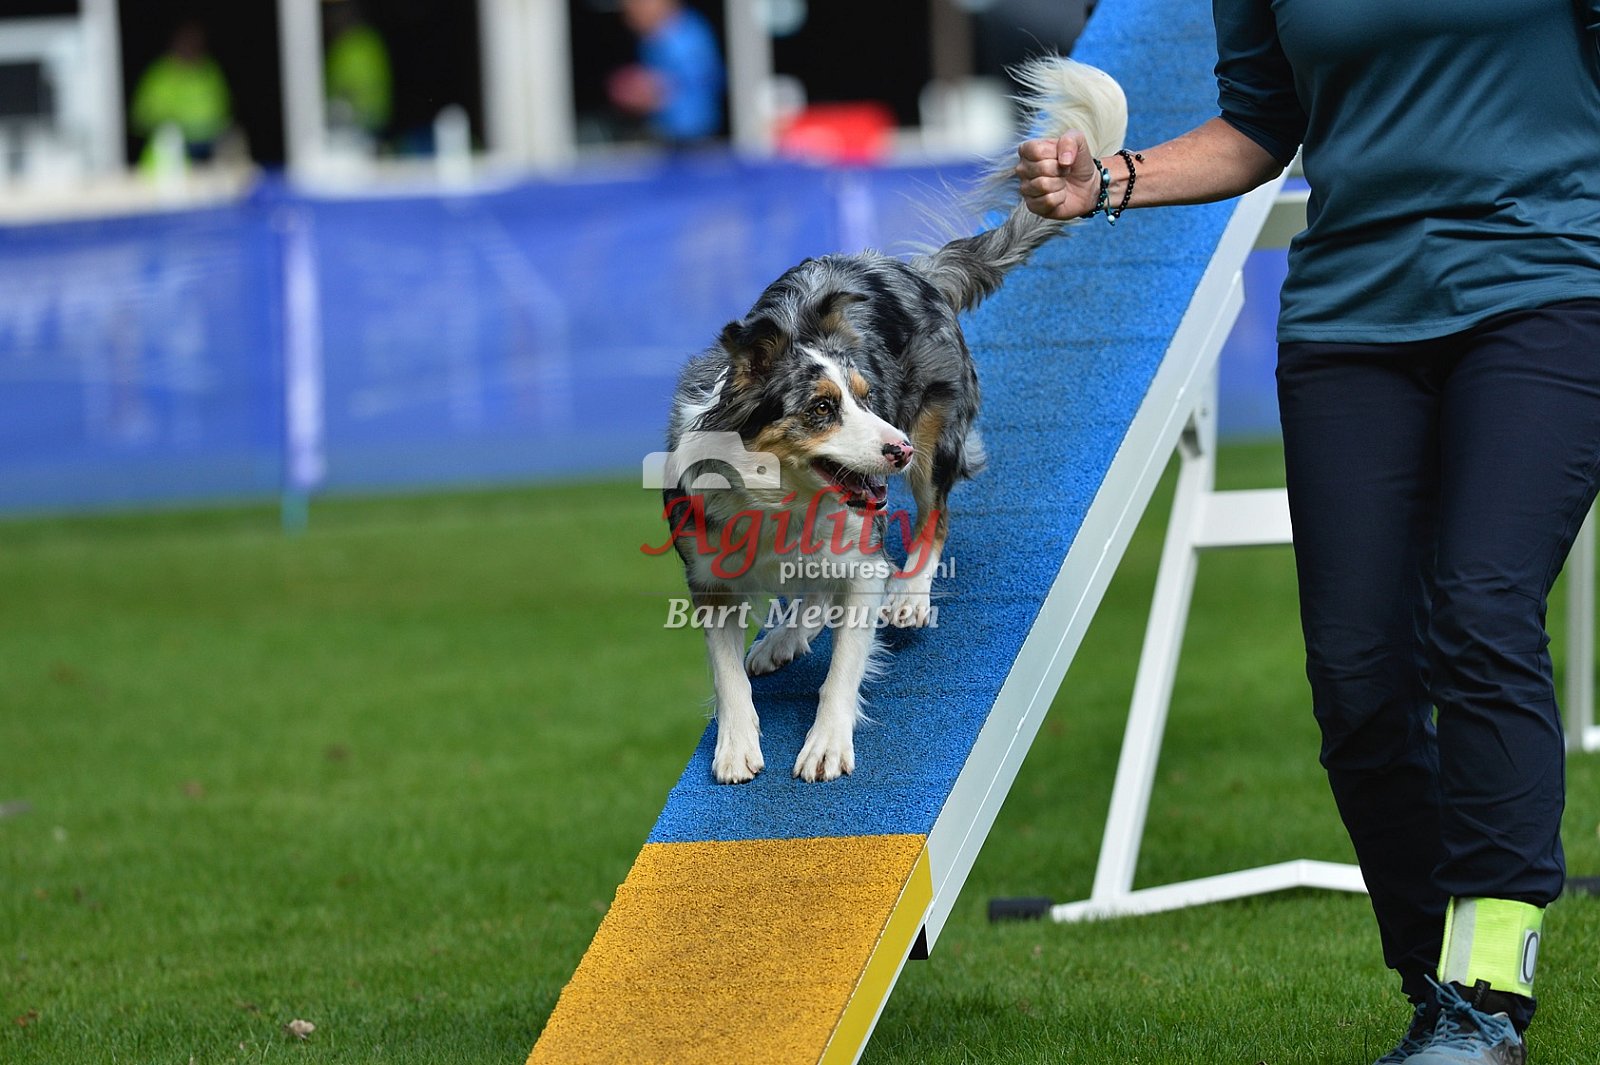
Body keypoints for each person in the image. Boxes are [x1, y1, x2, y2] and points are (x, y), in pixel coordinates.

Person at [1017, 5, 1600, 1065]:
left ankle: (1487, 995)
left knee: (1481, 610)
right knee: (1356, 678)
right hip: (1349, 322)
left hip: (1547, 290)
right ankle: (1437, 989)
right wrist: (1106, 182)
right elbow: (1258, 124)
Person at [608, 0, 725, 147]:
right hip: (668, 135)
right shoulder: (651, 40)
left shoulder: (684, 38)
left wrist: (651, 88)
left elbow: (708, 81)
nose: (630, 14)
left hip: (695, 138)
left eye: (637, 4)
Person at [130, 21, 232, 164]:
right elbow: (140, 117)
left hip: (208, 144)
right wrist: (168, 125)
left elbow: (224, 110)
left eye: (195, 42)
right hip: (173, 145)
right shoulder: (159, 73)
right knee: (169, 137)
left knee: (231, 141)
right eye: (186, 42)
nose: (190, 47)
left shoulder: (210, 70)